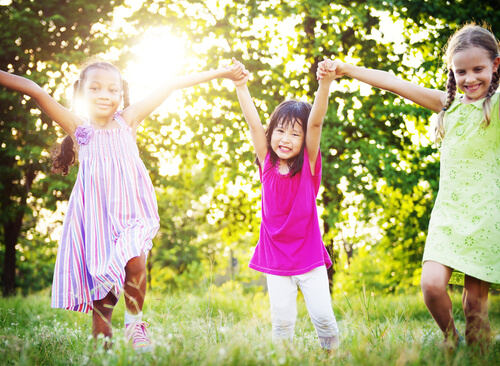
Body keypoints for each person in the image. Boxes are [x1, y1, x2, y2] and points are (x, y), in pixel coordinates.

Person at [0, 59, 246, 352]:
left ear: (121, 95)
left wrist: (222, 73)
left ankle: (134, 324)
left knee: (135, 259)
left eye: (113, 89)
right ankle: (103, 348)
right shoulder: (78, 127)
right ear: (81, 93)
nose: (105, 94)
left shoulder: (129, 120)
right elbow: (35, 90)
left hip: (133, 213)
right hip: (96, 220)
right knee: (102, 302)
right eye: (96, 88)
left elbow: (170, 84)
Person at [317, 24, 500, 350]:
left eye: (478, 69)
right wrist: (346, 69)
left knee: (476, 311)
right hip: (448, 214)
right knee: (431, 286)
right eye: (461, 71)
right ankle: (450, 337)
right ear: (452, 72)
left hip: (486, 218)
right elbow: (394, 83)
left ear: (495, 66)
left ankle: (478, 351)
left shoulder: (496, 106)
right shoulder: (449, 106)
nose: (470, 79)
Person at [227, 58, 340, 351]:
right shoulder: (266, 163)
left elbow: (315, 121)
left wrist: (324, 84)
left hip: (308, 256)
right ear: (271, 133)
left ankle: (331, 357)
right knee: (282, 322)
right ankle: (283, 359)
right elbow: (253, 122)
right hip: (276, 257)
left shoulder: (309, 169)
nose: (285, 139)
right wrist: (241, 86)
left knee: (324, 318)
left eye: (294, 133)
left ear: (305, 140)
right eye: (280, 131)